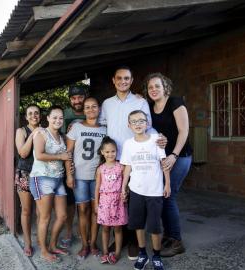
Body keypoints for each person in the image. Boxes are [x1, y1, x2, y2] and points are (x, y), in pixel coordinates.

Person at [99, 66, 167, 260]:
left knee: (132, 201)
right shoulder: (107, 103)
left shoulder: (140, 101)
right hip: (113, 158)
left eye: (127, 78)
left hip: (134, 158)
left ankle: (133, 242)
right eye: (119, 78)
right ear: (113, 80)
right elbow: (102, 125)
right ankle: (118, 237)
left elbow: (149, 126)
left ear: (132, 80)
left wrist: (158, 139)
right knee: (116, 200)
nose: (123, 81)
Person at [144, 73, 193, 257]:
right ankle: (169, 234)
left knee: (168, 195)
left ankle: (176, 241)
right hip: (162, 158)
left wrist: (174, 154)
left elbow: (184, 131)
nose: (154, 90)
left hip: (180, 156)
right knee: (161, 194)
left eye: (157, 86)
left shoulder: (175, 103)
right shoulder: (149, 107)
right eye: (150, 87)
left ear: (165, 87)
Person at [120, 110, 171, 270]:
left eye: (141, 121)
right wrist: (123, 187)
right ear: (129, 125)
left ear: (147, 123)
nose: (138, 124)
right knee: (138, 224)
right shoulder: (128, 144)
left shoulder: (156, 140)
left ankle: (156, 255)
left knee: (155, 226)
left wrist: (167, 184)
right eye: (134, 121)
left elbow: (164, 163)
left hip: (154, 191)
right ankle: (143, 254)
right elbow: (127, 166)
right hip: (136, 190)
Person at [29, 105, 72, 263]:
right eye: (54, 117)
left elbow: (67, 156)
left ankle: (53, 244)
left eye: (60, 118)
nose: (58, 120)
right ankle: (44, 251)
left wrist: (68, 175)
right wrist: (60, 157)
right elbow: (39, 155)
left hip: (58, 179)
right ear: (47, 118)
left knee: (62, 216)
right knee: (45, 217)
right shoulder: (41, 133)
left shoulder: (62, 137)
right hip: (42, 178)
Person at [65, 97, 106, 259]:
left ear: (99, 109)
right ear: (83, 110)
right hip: (80, 176)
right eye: (87, 107)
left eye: (94, 106)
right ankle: (84, 244)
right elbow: (68, 153)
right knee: (82, 210)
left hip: (98, 176)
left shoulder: (105, 129)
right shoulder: (76, 127)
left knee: (96, 211)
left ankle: (93, 243)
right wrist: (69, 174)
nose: (90, 109)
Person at [60, 85, 87, 248]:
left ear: (85, 97)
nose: (77, 101)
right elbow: (58, 137)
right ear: (70, 99)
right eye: (73, 98)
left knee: (84, 203)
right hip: (69, 163)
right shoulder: (64, 115)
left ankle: (83, 231)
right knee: (70, 202)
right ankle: (69, 232)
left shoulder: (92, 110)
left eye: (80, 97)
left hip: (87, 165)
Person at [95, 136, 128, 264]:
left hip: (118, 202)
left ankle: (117, 253)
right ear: (102, 152)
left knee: (118, 229)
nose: (110, 154)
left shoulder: (121, 167)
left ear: (117, 151)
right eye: (107, 152)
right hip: (104, 203)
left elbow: (126, 182)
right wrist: (96, 204)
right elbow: (97, 187)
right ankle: (105, 252)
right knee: (105, 228)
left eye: (113, 151)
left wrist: (126, 193)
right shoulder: (100, 169)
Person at [14, 104, 41, 257]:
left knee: (40, 211)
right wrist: (33, 134)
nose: (33, 116)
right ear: (26, 117)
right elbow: (23, 153)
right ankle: (28, 242)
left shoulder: (44, 130)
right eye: (30, 113)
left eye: (36, 113)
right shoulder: (21, 131)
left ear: (40, 115)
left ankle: (40, 240)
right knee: (26, 210)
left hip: (41, 175)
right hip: (24, 174)